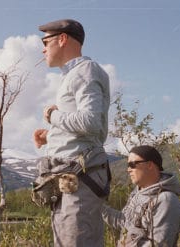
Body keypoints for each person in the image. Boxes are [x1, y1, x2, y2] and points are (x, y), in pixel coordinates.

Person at [33, 19, 111, 247]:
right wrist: (51, 135)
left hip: (79, 182)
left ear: (63, 38)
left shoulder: (85, 70)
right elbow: (84, 131)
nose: (43, 48)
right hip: (72, 182)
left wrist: (52, 115)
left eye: (45, 41)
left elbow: (90, 122)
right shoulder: (74, 74)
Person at [102, 145, 180, 247]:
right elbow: (125, 222)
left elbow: (158, 244)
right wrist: (98, 207)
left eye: (132, 164)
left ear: (149, 165)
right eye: (127, 165)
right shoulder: (137, 193)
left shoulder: (166, 200)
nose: (128, 170)